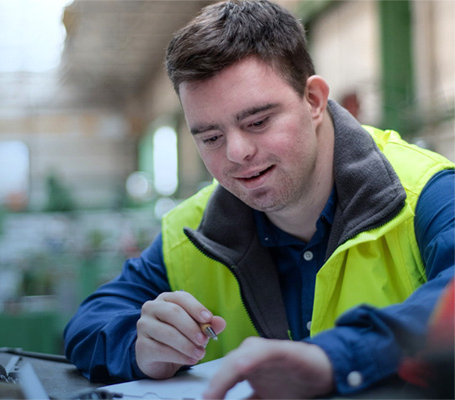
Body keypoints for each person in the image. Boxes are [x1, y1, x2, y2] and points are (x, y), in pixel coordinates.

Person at [64, 0, 455, 398]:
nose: (237, 152)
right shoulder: (193, 233)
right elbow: (88, 322)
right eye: (211, 137)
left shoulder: (426, 194)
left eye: (258, 122)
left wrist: (336, 357)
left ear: (314, 100)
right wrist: (138, 344)